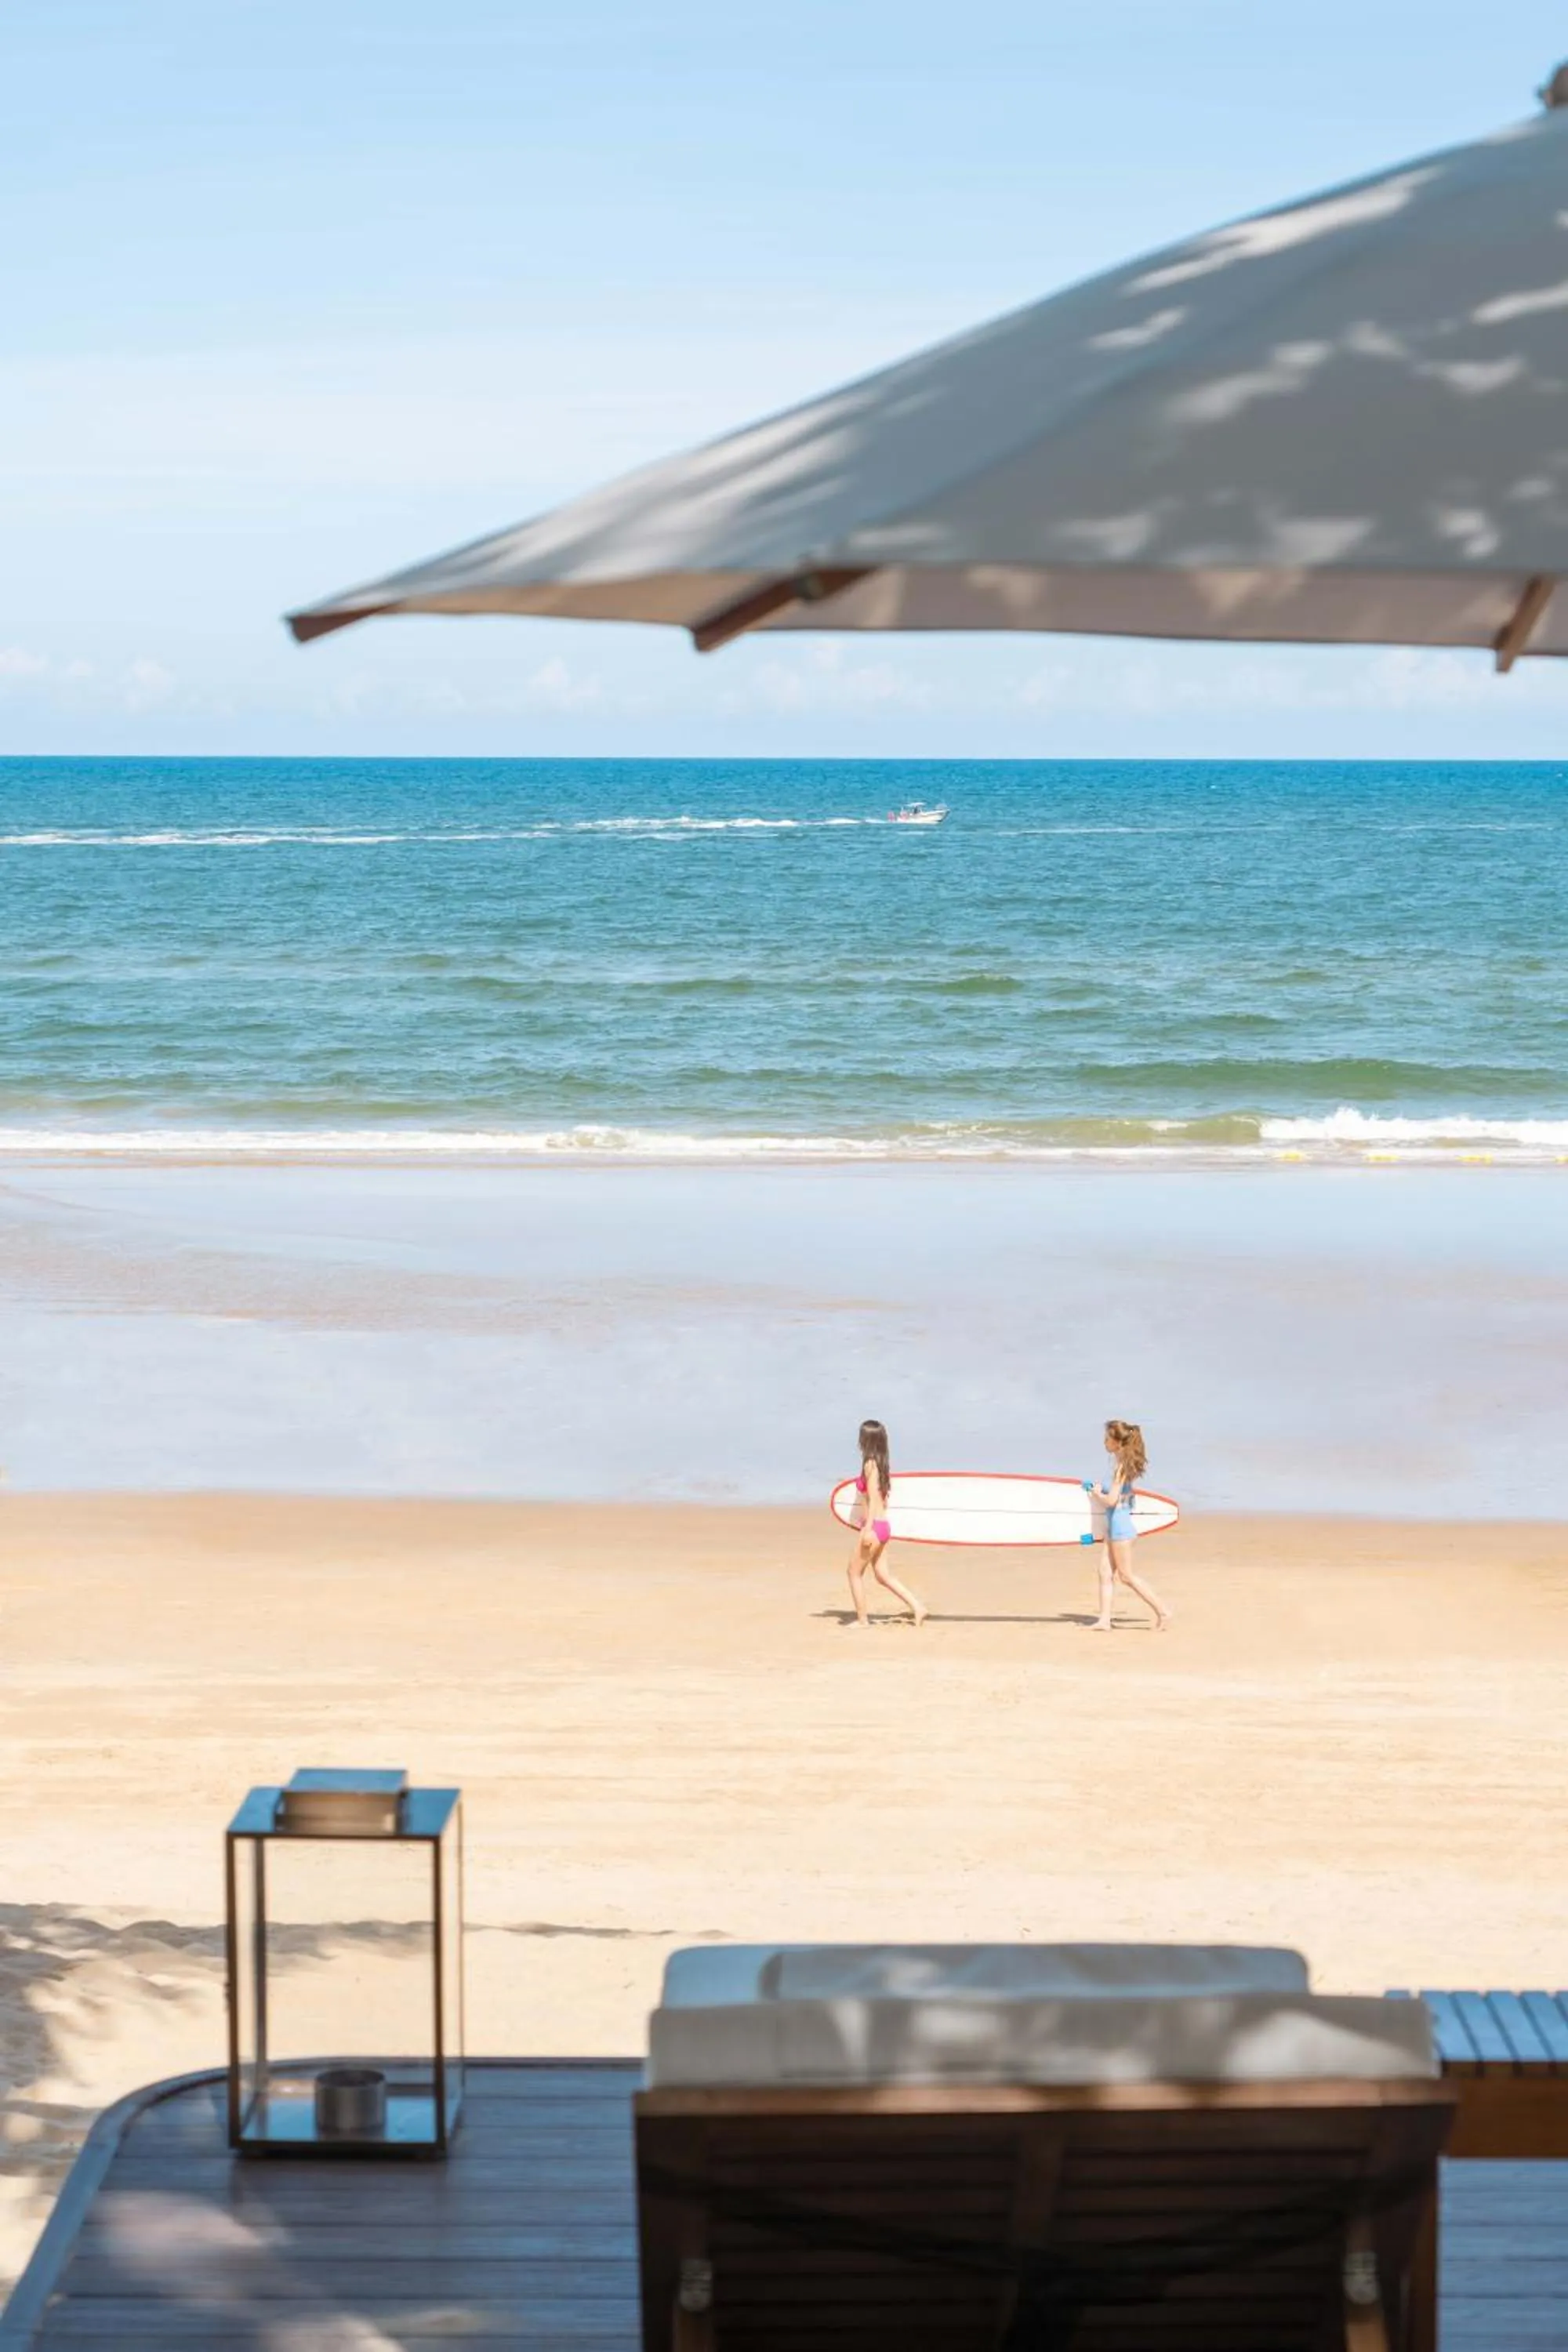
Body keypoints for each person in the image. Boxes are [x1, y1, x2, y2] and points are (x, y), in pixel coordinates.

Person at [1087, 1417, 1171, 1633]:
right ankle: (1104, 1621)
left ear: (1117, 1442)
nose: (1104, 1442)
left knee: (1126, 1576)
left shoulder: (1120, 1469)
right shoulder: (1120, 1465)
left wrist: (1097, 1494)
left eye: (1107, 1438)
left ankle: (1163, 1611)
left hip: (1121, 1529)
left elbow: (1112, 1501)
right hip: (1114, 1526)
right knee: (1105, 1572)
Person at [847, 1417, 927, 1629]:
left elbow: (873, 1499)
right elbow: (883, 1499)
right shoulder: (882, 1465)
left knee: (853, 1573)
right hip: (883, 1527)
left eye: (861, 1437)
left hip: (874, 1528)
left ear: (866, 1441)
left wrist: (866, 1529)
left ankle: (863, 1620)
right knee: (883, 1576)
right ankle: (917, 1606)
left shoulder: (870, 1465)